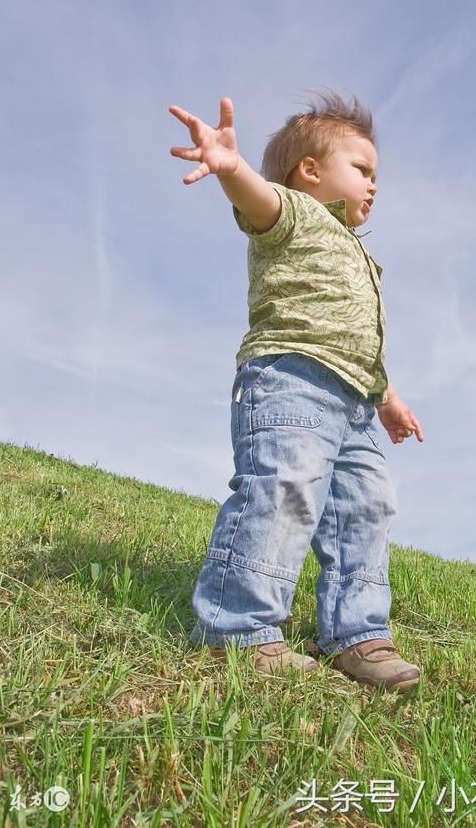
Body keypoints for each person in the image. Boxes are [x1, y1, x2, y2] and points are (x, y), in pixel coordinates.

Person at [169, 90, 424, 692]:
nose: (374, 184)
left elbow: (363, 341)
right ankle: (240, 628)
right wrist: (232, 169)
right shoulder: (293, 215)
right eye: (362, 169)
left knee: (366, 507)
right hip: (292, 382)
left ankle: (358, 633)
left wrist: (387, 398)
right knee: (284, 491)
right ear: (310, 171)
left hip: (355, 401)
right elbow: (259, 203)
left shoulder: (360, 254)